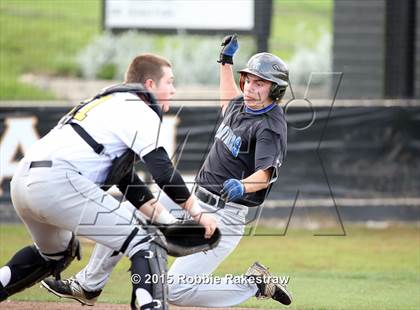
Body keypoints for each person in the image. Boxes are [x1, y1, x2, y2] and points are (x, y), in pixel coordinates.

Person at [41, 34, 293, 307]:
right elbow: (226, 101)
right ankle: (88, 286)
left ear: (275, 90)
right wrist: (226, 61)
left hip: (225, 214)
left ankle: (253, 283)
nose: (250, 87)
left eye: (260, 83)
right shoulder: (242, 105)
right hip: (195, 195)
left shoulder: (270, 126)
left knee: (174, 290)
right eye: (249, 80)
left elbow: (266, 175)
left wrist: (243, 186)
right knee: (128, 213)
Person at [0, 53, 217, 310]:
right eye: (169, 82)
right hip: (58, 181)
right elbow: (163, 171)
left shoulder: (108, 102)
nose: (173, 89)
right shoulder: (140, 107)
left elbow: (124, 179)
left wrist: (167, 222)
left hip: (24, 181)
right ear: (149, 85)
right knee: (145, 241)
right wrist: (198, 212)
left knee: (55, 253)